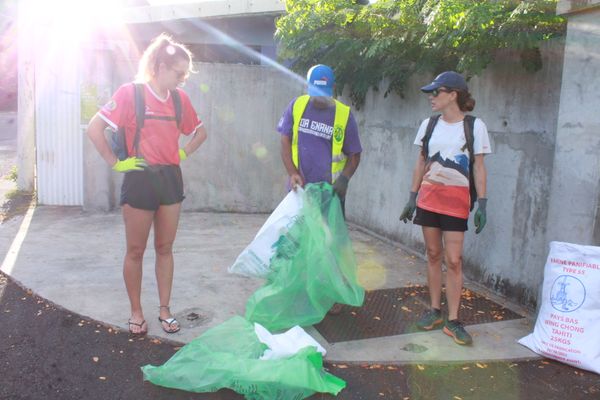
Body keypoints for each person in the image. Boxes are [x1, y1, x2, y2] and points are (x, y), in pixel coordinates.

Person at [87, 34, 207, 335]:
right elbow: (95, 128)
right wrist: (115, 162)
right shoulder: (131, 94)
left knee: (165, 247)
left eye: (185, 75)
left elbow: (201, 133)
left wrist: (181, 152)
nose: (182, 80)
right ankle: (137, 312)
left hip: (169, 179)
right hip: (139, 177)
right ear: (160, 66)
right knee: (136, 251)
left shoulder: (181, 100)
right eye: (179, 74)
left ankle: (165, 310)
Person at [399, 71, 491, 345]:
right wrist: (411, 197)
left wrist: (482, 203)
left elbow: (479, 166)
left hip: (456, 203)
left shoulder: (475, 126)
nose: (431, 97)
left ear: (453, 95)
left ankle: (453, 320)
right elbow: (421, 161)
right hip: (429, 199)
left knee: (454, 260)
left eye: (436, 92)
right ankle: (435, 311)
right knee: (433, 254)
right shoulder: (428, 125)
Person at [277, 64, 362, 215]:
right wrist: (292, 173)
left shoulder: (343, 114)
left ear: (333, 88)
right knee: (297, 237)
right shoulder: (297, 106)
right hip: (300, 190)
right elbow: (285, 140)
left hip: (330, 194)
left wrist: (344, 179)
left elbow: (354, 154)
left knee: (329, 238)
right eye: (316, 93)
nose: (320, 98)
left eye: (324, 93)